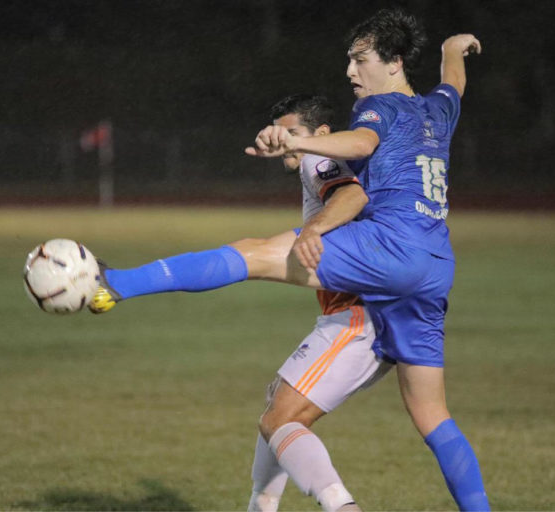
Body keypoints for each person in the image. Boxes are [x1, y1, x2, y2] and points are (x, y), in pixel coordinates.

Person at [89, 8, 488, 511]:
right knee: (433, 416)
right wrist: (455, 49)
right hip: (435, 266)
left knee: (254, 254)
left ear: (393, 63)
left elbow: (361, 146)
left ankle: (116, 282)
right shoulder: (439, 109)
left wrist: (300, 144)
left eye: (359, 59)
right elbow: (454, 82)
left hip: (389, 248)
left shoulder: (378, 108)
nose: (350, 72)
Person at [246, 94, 392, 512]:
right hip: (357, 313)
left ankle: (340, 506)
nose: (285, 141)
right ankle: (261, 505)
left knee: (280, 420)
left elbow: (350, 195)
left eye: (294, 132)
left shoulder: (317, 160)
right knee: (278, 403)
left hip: (357, 317)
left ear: (322, 135)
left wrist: (312, 230)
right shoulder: (315, 163)